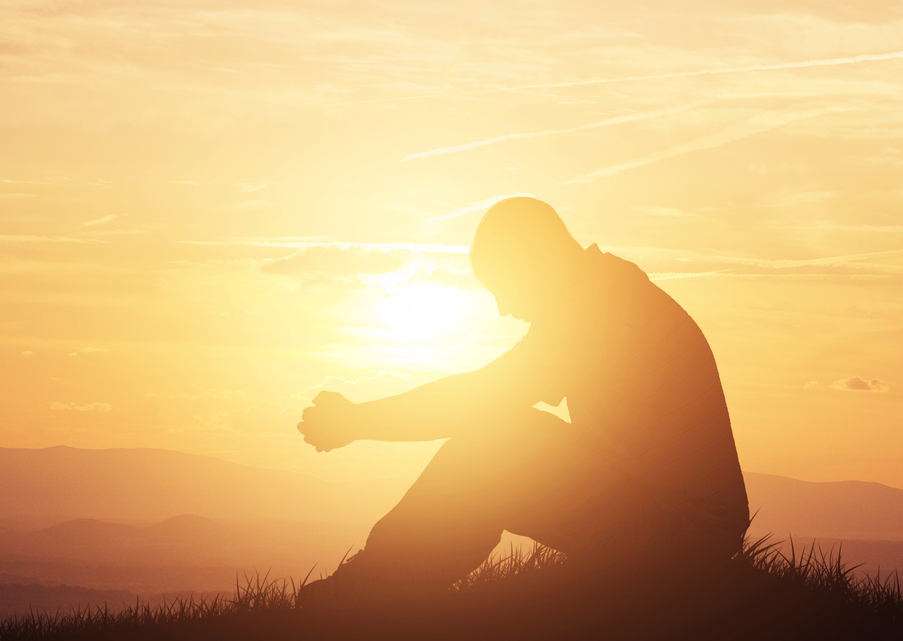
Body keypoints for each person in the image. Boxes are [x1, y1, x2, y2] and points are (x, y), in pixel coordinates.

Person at [295, 197, 748, 604]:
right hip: (683, 523)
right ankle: (384, 587)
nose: (503, 309)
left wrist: (356, 421)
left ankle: (368, 594)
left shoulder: (600, 308)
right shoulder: (607, 291)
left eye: (502, 286)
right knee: (501, 436)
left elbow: (482, 398)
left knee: (493, 444)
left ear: (533, 262)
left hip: (681, 533)